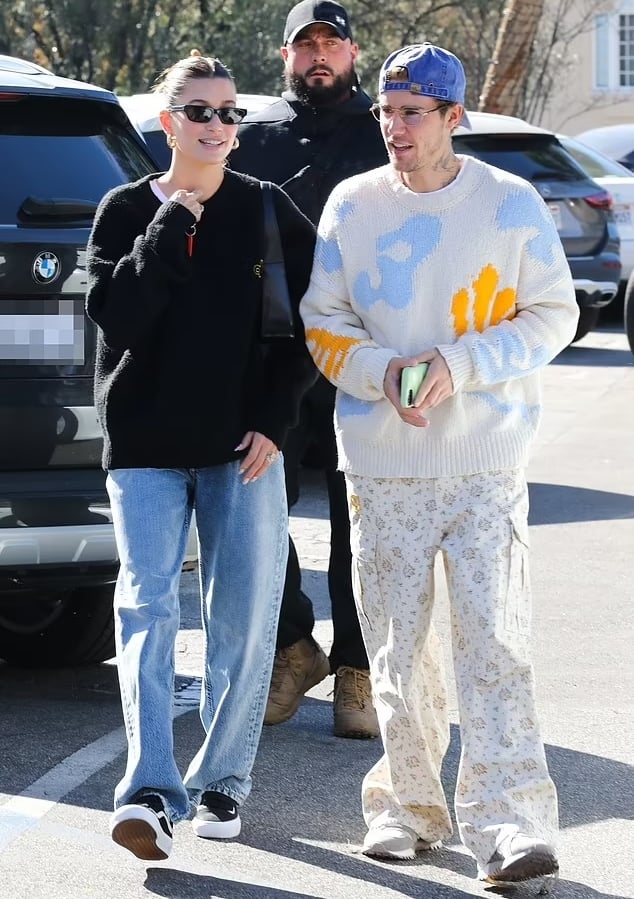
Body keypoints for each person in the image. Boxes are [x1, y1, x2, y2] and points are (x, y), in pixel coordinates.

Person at [300, 43, 579, 885]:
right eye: (386, 112)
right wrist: (379, 370)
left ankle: (510, 823)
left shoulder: (509, 202)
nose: (394, 128)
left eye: (413, 113)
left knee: (494, 641)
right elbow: (323, 321)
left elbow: (552, 315)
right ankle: (406, 809)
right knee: (396, 646)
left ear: (455, 118)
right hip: (382, 464)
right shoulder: (352, 205)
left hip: (484, 462)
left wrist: (459, 362)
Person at [85, 51, 316, 861]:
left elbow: (310, 327)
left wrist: (274, 421)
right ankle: (150, 789)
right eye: (200, 111)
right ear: (166, 120)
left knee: (242, 625)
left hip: (240, 450)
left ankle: (222, 782)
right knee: (147, 612)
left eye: (229, 113)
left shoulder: (268, 210)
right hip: (145, 447)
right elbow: (120, 320)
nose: (217, 126)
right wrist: (172, 221)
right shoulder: (121, 210)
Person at [230, 0, 387, 739]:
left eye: (331, 43)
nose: (318, 55)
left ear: (353, 53)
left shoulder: (386, 132)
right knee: (263, 512)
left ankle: (357, 663)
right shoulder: (252, 141)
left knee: (362, 518)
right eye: (305, 45)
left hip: (366, 357)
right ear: (286, 55)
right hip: (275, 358)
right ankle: (295, 646)